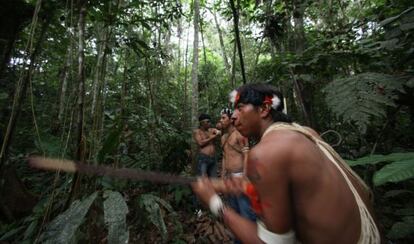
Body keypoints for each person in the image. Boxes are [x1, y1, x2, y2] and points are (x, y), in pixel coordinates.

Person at [192, 84, 380, 244]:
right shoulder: (306, 132)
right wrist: (240, 185)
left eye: (240, 108)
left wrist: (214, 202)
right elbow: (299, 190)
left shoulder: (265, 153)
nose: (233, 116)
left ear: (264, 109)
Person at [219, 107, 256, 243]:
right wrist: (223, 175)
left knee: (246, 212)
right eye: (221, 118)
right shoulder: (223, 138)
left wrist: (245, 177)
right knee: (234, 212)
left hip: (240, 177)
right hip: (229, 179)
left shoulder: (240, 134)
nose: (221, 120)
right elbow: (224, 157)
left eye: (223, 118)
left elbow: (247, 154)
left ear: (230, 119)